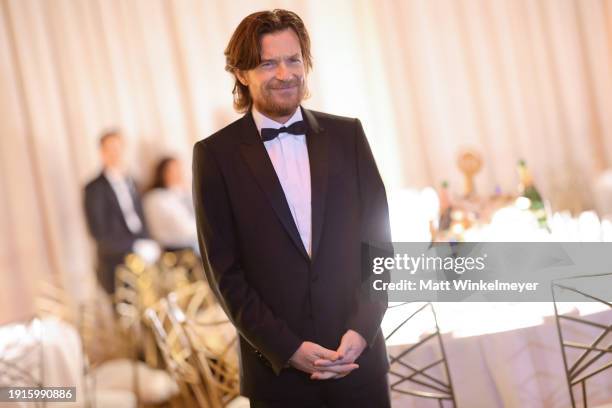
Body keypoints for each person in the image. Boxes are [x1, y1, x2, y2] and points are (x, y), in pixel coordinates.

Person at [192, 9, 391, 408]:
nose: (285, 73)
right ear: (242, 74)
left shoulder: (347, 135)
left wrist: (361, 331)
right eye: (268, 63)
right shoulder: (215, 156)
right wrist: (287, 348)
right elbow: (224, 276)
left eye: (293, 59)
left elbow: (381, 247)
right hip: (279, 378)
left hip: (359, 366)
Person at [84, 130, 156, 294]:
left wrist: (148, 242)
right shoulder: (94, 188)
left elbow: (141, 219)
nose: (115, 153)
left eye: (118, 148)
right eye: (110, 149)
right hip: (116, 265)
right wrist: (134, 246)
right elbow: (98, 233)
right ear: (102, 152)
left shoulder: (133, 181)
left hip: (143, 261)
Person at [143, 156, 198, 253]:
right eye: (173, 170)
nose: (178, 173)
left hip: (191, 244)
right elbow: (183, 228)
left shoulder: (182, 193)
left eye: (179, 169)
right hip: (174, 250)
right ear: (162, 173)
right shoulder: (156, 198)